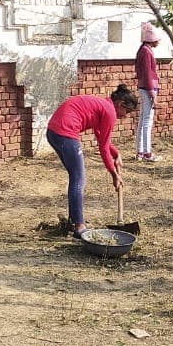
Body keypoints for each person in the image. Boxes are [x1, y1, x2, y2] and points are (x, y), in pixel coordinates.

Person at [47, 85, 139, 241]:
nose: (125, 116)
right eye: (127, 111)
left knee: (75, 177)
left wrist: (116, 153)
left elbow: (102, 138)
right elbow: (103, 149)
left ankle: (74, 221)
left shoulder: (103, 106)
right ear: (120, 104)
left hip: (53, 132)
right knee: (79, 178)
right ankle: (79, 226)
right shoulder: (109, 112)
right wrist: (114, 175)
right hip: (66, 132)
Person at [135, 22, 163, 162]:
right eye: (157, 39)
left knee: (143, 119)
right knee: (147, 120)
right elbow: (147, 73)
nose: (159, 41)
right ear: (152, 39)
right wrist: (152, 93)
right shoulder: (146, 52)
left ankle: (140, 151)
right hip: (148, 88)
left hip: (144, 87)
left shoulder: (143, 50)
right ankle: (147, 153)